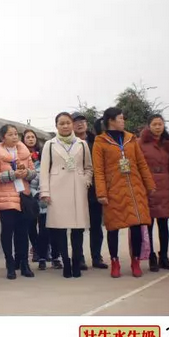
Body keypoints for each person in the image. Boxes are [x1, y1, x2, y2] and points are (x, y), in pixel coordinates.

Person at [93, 107, 156, 279]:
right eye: (120, 118)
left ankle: (135, 261)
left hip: (135, 188)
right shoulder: (100, 142)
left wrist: (149, 185)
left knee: (137, 225)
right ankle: (115, 261)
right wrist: (101, 193)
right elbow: (98, 170)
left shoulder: (130, 139)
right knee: (113, 227)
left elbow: (141, 163)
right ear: (111, 121)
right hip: (113, 190)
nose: (123, 121)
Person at [39, 112, 94, 278]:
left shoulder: (82, 144)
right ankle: (66, 263)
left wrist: (86, 180)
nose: (65, 126)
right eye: (61, 123)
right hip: (57, 189)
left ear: (72, 124)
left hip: (77, 188)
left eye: (68, 123)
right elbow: (44, 170)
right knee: (60, 229)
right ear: (56, 126)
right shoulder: (49, 145)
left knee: (78, 229)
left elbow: (88, 167)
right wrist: (45, 191)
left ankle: (77, 262)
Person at [0, 124, 37, 279]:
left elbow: (33, 173)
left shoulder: (24, 152)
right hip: (6, 198)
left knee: (23, 232)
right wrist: (12, 174)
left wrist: (25, 172)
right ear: (3, 137)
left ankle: (24, 263)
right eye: (10, 134)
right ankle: (10, 263)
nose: (14, 137)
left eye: (16, 134)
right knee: (8, 231)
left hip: (23, 196)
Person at [138, 114, 169, 272]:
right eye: (154, 124)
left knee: (163, 224)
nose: (157, 127)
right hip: (148, 186)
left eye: (160, 124)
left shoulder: (168, 144)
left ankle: (164, 257)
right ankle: (151, 257)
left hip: (165, 187)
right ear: (149, 126)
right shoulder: (141, 143)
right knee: (148, 225)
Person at [71, 112, 108, 270]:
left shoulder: (96, 141)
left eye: (82, 121)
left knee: (96, 226)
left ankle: (96, 257)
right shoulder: (68, 143)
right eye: (76, 122)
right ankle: (78, 258)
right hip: (76, 189)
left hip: (94, 189)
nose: (79, 124)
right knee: (77, 227)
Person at [29, 142, 62, 271]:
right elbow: (32, 186)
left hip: (57, 206)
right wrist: (38, 194)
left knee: (57, 234)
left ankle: (56, 257)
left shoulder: (60, 168)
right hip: (43, 207)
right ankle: (42, 257)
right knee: (43, 233)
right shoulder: (37, 169)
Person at [22, 128, 45, 263]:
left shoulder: (42, 154)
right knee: (31, 224)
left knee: (43, 224)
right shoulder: (20, 155)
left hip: (40, 192)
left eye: (33, 137)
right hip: (27, 193)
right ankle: (36, 249)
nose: (31, 139)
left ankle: (44, 249)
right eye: (28, 137)